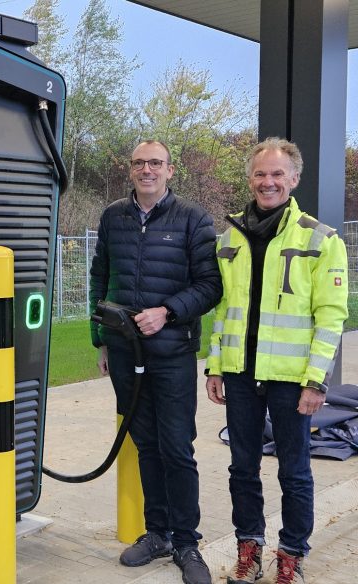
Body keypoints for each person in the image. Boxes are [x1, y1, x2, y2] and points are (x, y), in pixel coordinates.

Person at [206, 137, 349, 584]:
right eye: (260, 174)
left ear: (294, 179)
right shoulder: (229, 239)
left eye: (277, 174)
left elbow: (331, 316)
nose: (267, 182)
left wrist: (316, 380)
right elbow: (222, 308)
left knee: (295, 470)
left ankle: (291, 555)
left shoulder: (321, 239)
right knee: (242, 468)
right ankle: (249, 549)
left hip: (292, 381)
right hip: (241, 375)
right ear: (250, 179)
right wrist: (215, 364)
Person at [89, 140, 222, 584]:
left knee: (176, 448)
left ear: (170, 170)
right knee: (145, 443)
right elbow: (100, 277)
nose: (147, 170)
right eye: (140, 163)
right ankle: (157, 532)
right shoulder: (113, 217)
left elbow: (209, 286)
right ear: (131, 170)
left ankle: (187, 541)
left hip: (172, 353)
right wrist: (101, 339)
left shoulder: (193, 219)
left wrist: (167, 311)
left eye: (156, 163)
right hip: (125, 354)